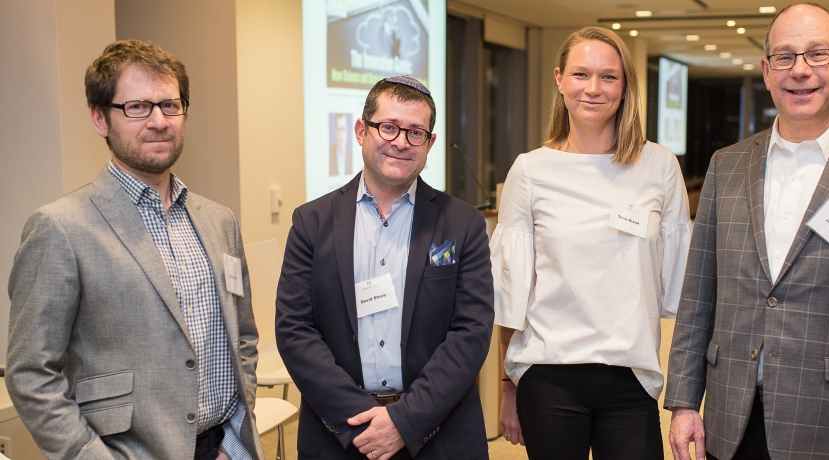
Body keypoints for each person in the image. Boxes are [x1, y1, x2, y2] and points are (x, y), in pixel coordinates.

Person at [665, 4, 829, 460]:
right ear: (767, 71)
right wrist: (683, 401)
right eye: (786, 57)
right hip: (729, 421)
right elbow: (699, 295)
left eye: (817, 54)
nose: (801, 71)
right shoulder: (726, 165)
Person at [6, 39, 262, 459]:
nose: (159, 121)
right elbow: (31, 374)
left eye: (170, 105)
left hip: (224, 449)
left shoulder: (220, 222)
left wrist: (234, 442)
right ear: (99, 118)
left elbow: (244, 336)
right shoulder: (60, 228)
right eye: (137, 107)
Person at [492, 26, 692, 459]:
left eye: (608, 76)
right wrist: (507, 387)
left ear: (625, 87)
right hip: (549, 376)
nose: (594, 88)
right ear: (559, 79)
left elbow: (680, 288)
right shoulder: (530, 171)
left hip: (631, 374)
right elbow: (511, 295)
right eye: (581, 74)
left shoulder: (659, 166)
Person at [276, 76, 494, 460]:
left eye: (415, 133)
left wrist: (404, 422)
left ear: (430, 144)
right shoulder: (311, 222)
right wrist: (360, 419)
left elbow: (471, 333)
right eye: (388, 127)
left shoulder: (463, 224)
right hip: (340, 435)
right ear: (362, 131)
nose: (400, 142)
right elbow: (295, 330)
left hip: (439, 435)